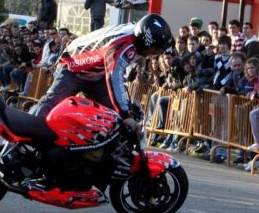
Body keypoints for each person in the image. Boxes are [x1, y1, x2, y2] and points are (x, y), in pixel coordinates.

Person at [30, 14, 174, 133]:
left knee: (113, 116)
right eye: (154, 50)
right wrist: (125, 112)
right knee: (51, 102)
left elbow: (117, 78)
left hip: (97, 74)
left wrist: (126, 109)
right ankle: (24, 133)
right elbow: (115, 76)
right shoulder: (125, 44)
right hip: (73, 66)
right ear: (146, 40)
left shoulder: (137, 35)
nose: (152, 55)